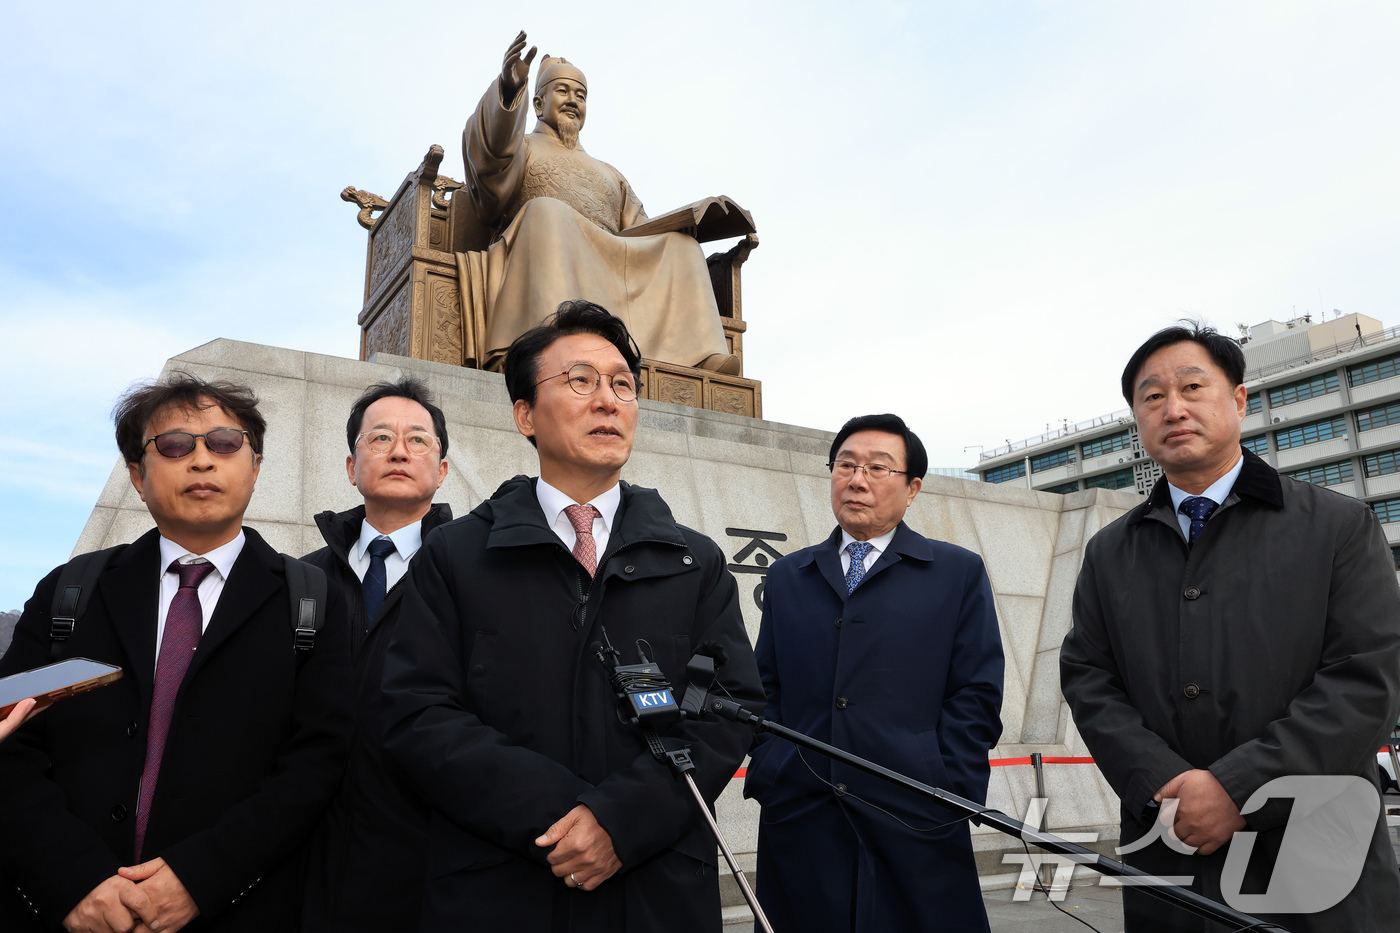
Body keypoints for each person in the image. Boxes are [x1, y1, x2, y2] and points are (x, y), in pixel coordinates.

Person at [382, 300, 764, 932]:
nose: (608, 401)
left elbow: (726, 707)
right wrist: (566, 817)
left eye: (622, 385)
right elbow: (417, 711)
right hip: (503, 886)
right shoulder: (456, 555)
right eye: (580, 381)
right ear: (525, 414)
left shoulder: (694, 561)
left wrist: (624, 820)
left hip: (656, 889)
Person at [1060, 324, 1400, 931]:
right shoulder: (1111, 551)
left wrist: (1237, 788)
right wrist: (1163, 783)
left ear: (1238, 400)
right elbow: (1089, 678)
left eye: (1193, 386)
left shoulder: (1338, 526)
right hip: (1170, 846)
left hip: (1316, 851)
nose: (1175, 408)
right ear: (1136, 418)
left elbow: (1364, 680)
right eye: (1153, 396)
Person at [0, 374, 351, 933]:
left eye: (224, 442)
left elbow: (317, 763)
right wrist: (74, 880)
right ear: (138, 477)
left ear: (255, 468)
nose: (202, 461)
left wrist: (200, 877)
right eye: (174, 445)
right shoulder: (70, 593)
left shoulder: (313, 601)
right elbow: (10, 741)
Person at [744, 413, 1005, 932]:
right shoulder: (790, 576)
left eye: (878, 468)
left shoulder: (955, 572)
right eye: (845, 464)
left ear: (912, 489)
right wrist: (775, 767)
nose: (857, 480)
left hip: (915, 811)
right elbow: (763, 685)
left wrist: (946, 783)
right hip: (802, 813)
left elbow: (975, 691)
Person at [459, 31, 740, 374]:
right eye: (562, 91)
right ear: (537, 103)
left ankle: (698, 356)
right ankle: (552, 338)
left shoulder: (609, 173)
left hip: (608, 258)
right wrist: (508, 90)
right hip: (543, 249)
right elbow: (490, 158)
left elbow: (639, 230)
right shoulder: (524, 148)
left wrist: (681, 227)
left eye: (581, 95)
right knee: (546, 210)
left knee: (683, 247)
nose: (573, 101)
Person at [301, 377, 453, 933]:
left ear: (440, 470)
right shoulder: (300, 579)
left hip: (430, 860)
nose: (398, 451)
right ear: (350, 466)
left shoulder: (473, 578)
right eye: (380, 438)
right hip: (308, 858)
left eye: (418, 441)